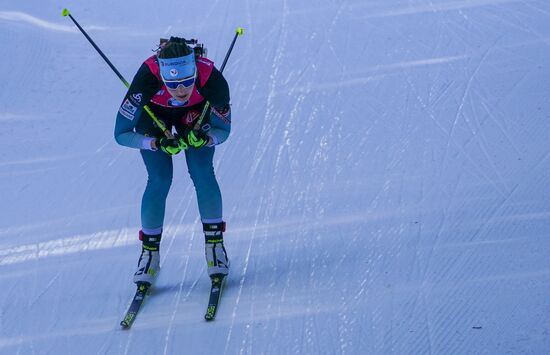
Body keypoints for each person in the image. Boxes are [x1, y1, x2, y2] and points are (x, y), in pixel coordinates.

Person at [114, 36, 231, 285]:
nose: (181, 90)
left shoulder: (212, 79)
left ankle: (215, 247)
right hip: (154, 115)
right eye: (173, 83)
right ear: (161, 77)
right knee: (159, 179)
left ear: (195, 72)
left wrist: (207, 139)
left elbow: (224, 131)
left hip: (197, 115)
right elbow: (121, 134)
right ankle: (149, 254)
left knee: (202, 171)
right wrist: (153, 143)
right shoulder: (146, 79)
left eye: (188, 82)